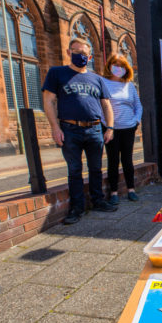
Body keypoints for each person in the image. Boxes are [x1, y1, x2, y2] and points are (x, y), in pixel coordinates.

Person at [42, 37, 117, 225]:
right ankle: (77, 208)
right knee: (74, 170)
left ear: (89, 56)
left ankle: (98, 201)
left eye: (84, 53)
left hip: (94, 129)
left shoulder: (97, 78)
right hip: (69, 129)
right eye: (76, 52)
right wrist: (55, 127)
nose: (80, 56)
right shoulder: (57, 73)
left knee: (96, 168)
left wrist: (110, 127)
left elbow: (106, 104)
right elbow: (49, 101)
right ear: (69, 52)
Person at [101, 54, 143, 205]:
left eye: (122, 66)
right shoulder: (103, 82)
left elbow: (138, 105)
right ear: (109, 65)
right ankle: (114, 192)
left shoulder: (129, 85)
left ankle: (131, 189)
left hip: (128, 128)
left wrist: (136, 121)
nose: (118, 68)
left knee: (127, 160)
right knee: (113, 161)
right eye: (115, 64)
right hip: (111, 129)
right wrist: (106, 125)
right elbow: (102, 106)